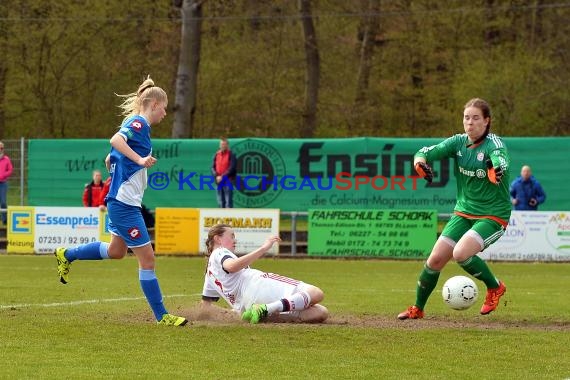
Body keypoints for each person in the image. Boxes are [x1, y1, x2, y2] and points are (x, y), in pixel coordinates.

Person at [54, 76, 187, 326]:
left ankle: (67, 254)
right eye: (165, 107)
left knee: (116, 251)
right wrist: (138, 160)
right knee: (147, 259)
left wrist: (114, 160)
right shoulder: (138, 122)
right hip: (125, 205)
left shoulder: (135, 124)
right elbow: (115, 141)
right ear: (155, 103)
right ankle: (162, 316)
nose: (166, 113)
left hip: (120, 202)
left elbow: (110, 155)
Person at [398, 98, 510, 320]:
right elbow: (426, 151)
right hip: (463, 212)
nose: (470, 123)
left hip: (493, 214)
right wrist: (419, 163)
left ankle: (495, 287)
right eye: (467, 118)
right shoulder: (458, 142)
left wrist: (495, 168)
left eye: (476, 118)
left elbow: (500, 161)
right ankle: (418, 309)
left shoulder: (494, 144)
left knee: (460, 254)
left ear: (487, 121)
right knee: (435, 260)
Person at [200, 223, 328, 324]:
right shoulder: (220, 251)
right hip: (257, 286)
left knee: (320, 312)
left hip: (247, 306)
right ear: (217, 239)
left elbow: (205, 308)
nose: (235, 240)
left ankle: (266, 310)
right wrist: (264, 248)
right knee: (316, 293)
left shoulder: (209, 273)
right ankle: (266, 309)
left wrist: (234, 313)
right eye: (232, 236)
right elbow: (232, 266)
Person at [211, 138, 237, 208]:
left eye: (225, 144)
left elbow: (232, 168)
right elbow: (212, 167)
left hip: (228, 180)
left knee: (228, 201)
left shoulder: (231, 154)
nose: (223, 146)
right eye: (222, 144)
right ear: (219, 145)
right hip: (218, 181)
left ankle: (229, 218)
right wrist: (216, 176)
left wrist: (222, 176)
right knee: (220, 201)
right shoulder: (216, 154)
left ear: (228, 145)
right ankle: (221, 217)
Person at [0, 141, 13, 225]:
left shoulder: (6, 159)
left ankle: (4, 220)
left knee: (3, 202)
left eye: (1, 148)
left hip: (3, 183)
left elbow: (10, 170)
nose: (0, 149)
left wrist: (3, 175)